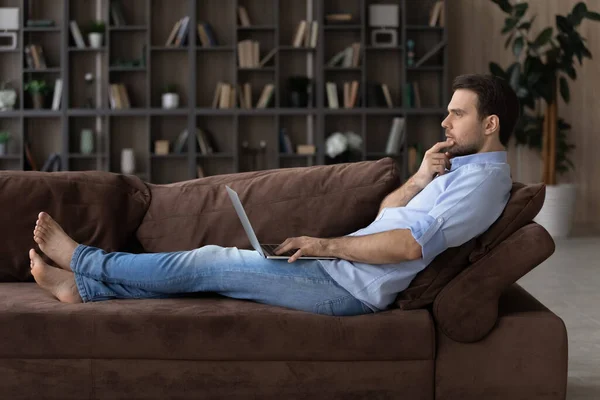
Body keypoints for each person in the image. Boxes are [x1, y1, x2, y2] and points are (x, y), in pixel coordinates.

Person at [29, 73, 518, 316]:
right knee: (211, 269)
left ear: (490, 124)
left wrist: (324, 244)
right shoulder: (457, 171)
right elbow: (392, 214)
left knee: (207, 262)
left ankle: (86, 261)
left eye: (458, 114)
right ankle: (86, 289)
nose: (444, 122)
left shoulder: (483, 184)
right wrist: (418, 179)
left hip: (350, 287)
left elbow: (411, 246)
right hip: (343, 269)